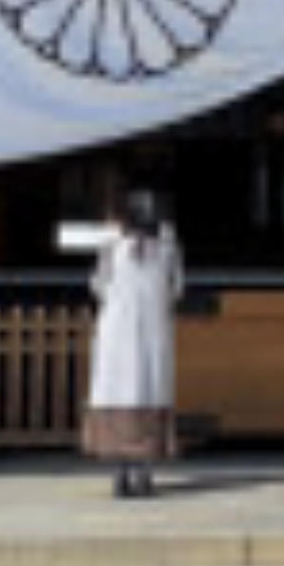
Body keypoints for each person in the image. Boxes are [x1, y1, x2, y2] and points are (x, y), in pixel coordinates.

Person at [84, 188, 181, 499]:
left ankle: (124, 475)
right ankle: (140, 474)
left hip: (120, 330)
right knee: (147, 393)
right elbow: (176, 286)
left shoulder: (115, 244)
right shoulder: (165, 243)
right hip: (147, 330)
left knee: (124, 392)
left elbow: (98, 284)